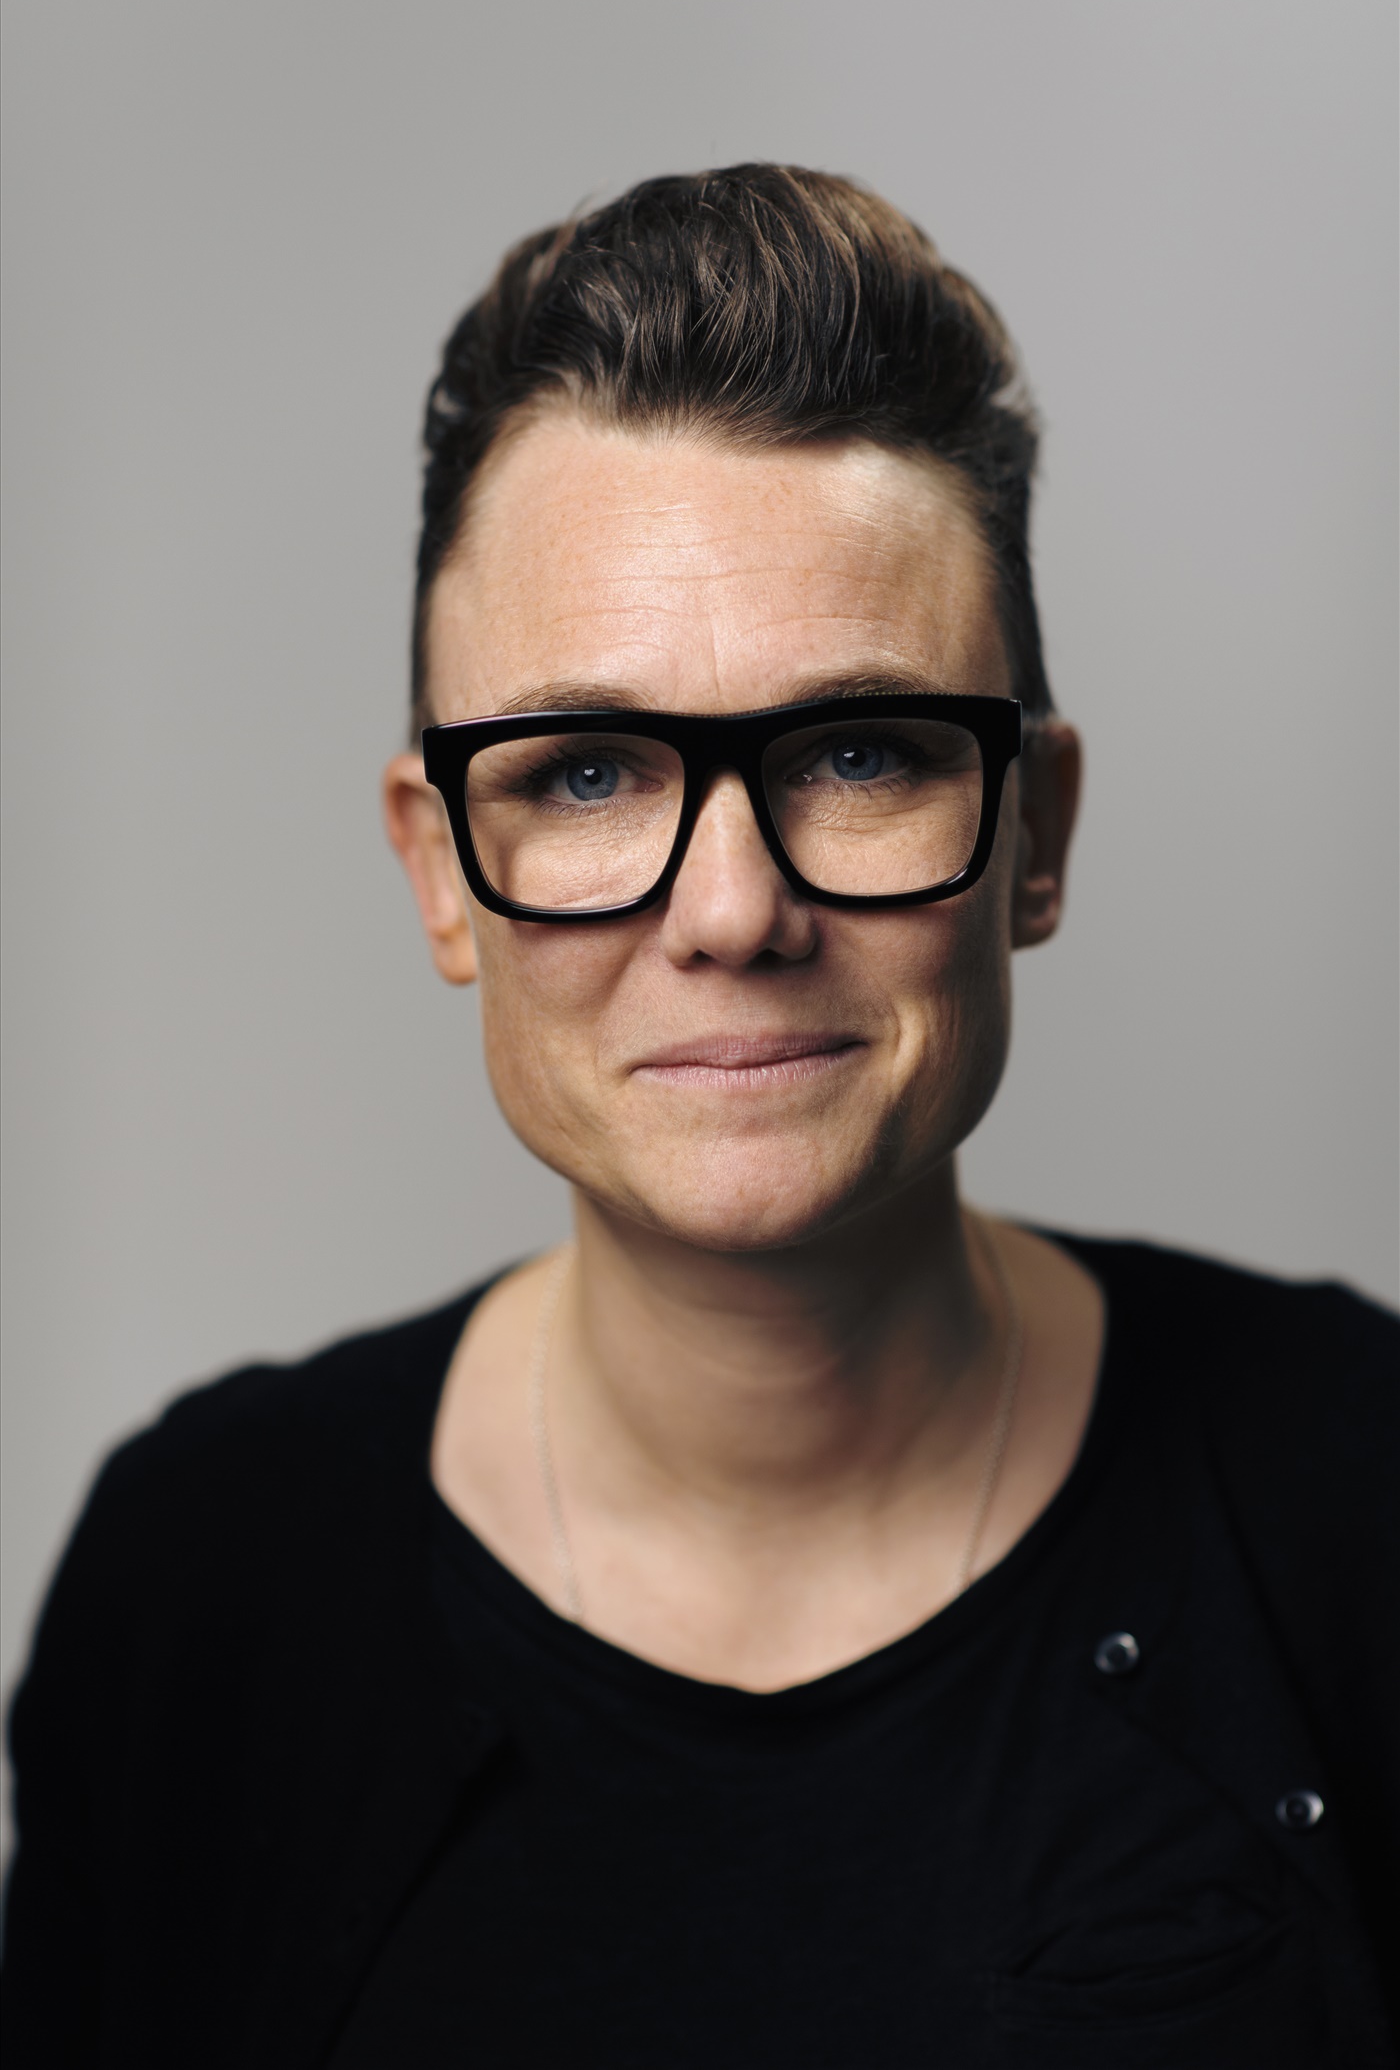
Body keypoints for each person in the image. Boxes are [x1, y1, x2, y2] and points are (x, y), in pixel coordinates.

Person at [2, 164, 1396, 2070]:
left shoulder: (1360, 1500)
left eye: (862, 751)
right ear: (440, 873)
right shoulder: (203, 1587)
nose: (734, 912)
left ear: (1037, 839)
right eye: (585, 772)